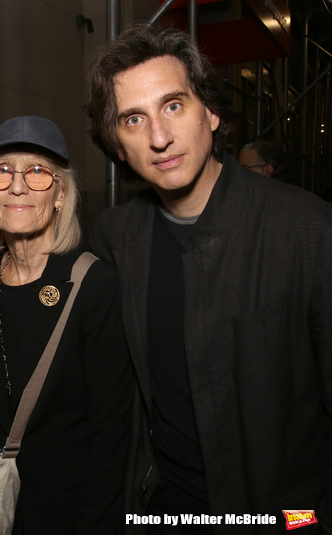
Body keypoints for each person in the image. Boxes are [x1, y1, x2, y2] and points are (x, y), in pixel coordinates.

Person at [85, 22, 332, 533]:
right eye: (134, 119)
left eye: (174, 105)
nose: (159, 137)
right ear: (117, 145)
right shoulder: (115, 237)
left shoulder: (307, 229)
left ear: (212, 113)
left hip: (286, 518)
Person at [0, 116, 133, 534]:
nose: (17, 186)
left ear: (60, 194)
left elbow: (112, 434)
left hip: (68, 509)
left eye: (38, 172)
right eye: (1, 172)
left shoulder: (94, 283)